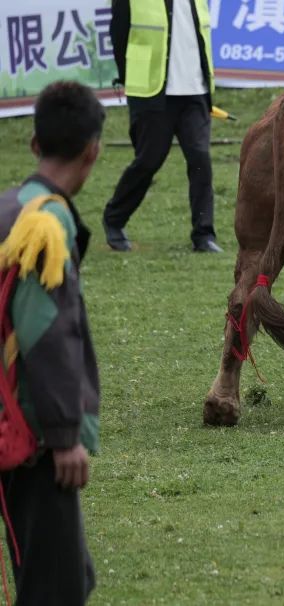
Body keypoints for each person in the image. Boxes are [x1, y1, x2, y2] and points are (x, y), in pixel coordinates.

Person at [0, 81, 103, 604]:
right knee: (56, 589)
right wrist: (65, 436)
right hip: (33, 436)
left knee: (66, 574)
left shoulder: (7, 207)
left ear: (34, 144)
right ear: (93, 150)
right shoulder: (47, 223)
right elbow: (45, 329)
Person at [104, 0, 221, 253]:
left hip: (195, 92)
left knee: (200, 159)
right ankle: (113, 220)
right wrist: (129, 78)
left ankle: (204, 234)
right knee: (149, 160)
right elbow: (119, 34)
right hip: (152, 92)